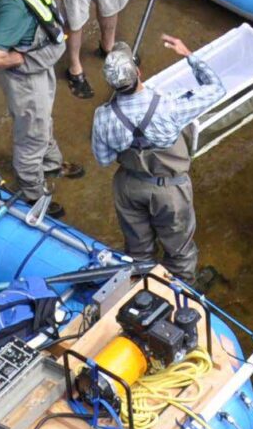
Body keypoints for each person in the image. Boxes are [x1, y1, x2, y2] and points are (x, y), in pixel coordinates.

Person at [90, 33, 217, 286]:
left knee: (137, 252)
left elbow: (103, 159)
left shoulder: (102, 116)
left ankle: (141, 288)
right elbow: (216, 88)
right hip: (170, 191)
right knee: (179, 252)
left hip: (128, 187)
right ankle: (181, 292)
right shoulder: (168, 104)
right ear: (139, 72)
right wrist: (189, 54)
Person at [0, 0, 87, 213]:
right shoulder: (12, 7)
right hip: (25, 77)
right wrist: (16, 57)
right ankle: (33, 194)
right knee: (31, 135)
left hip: (39, 66)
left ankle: (51, 165)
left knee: (42, 120)